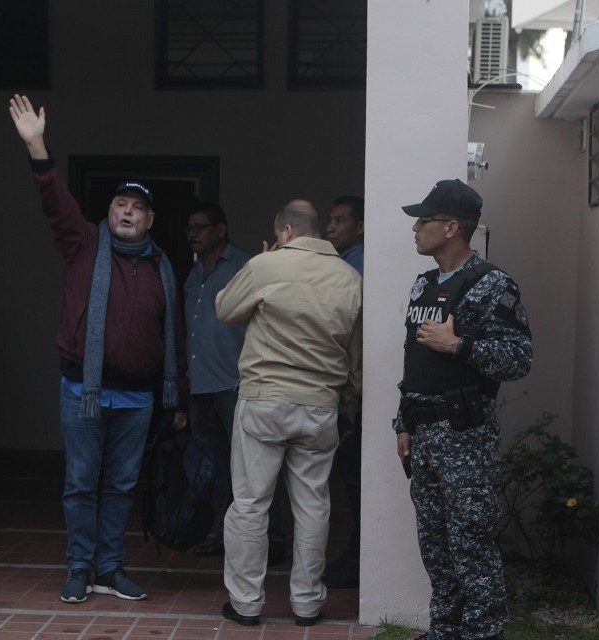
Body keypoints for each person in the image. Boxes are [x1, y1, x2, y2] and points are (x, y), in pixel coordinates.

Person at [8, 94, 189, 604]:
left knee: (121, 488)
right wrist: (37, 145)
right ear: (108, 213)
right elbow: (54, 201)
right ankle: (79, 567)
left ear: (150, 220)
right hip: (82, 391)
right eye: (120, 205)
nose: (128, 212)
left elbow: (174, 340)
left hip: (138, 400)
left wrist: (177, 401)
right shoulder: (83, 244)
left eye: (138, 208)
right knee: (81, 484)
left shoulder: (163, 269)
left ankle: (110, 568)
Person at [396, 179, 533, 640]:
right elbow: (413, 360)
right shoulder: (424, 283)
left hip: (465, 435)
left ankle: (481, 633)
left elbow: (518, 358)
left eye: (424, 220)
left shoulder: (492, 284)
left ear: (452, 227)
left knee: (471, 543)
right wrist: (404, 421)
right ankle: (445, 630)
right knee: (435, 545)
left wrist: (459, 345)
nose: (415, 228)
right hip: (425, 433)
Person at [215, 200, 362, 627]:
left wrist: (261, 263)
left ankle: (245, 604)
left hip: (264, 400)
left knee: (249, 504)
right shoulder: (350, 278)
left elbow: (225, 309)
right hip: (320, 406)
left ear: (285, 233)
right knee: (313, 505)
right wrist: (347, 405)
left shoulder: (268, 265)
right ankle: (307, 604)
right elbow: (356, 357)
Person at [183, 202, 286, 563]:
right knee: (213, 464)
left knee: (253, 467)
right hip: (201, 387)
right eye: (190, 228)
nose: (193, 233)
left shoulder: (245, 266)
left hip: (235, 384)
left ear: (221, 230)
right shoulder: (193, 273)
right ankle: (221, 534)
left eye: (201, 227)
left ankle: (271, 539)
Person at [323, 194, 364, 588]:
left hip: (357, 391)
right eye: (330, 221)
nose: (331, 227)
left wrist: (350, 399)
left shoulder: (356, 267)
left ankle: (358, 558)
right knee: (350, 478)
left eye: (339, 221)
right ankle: (355, 555)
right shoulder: (344, 263)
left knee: (354, 478)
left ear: (360, 226)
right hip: (353, 389)